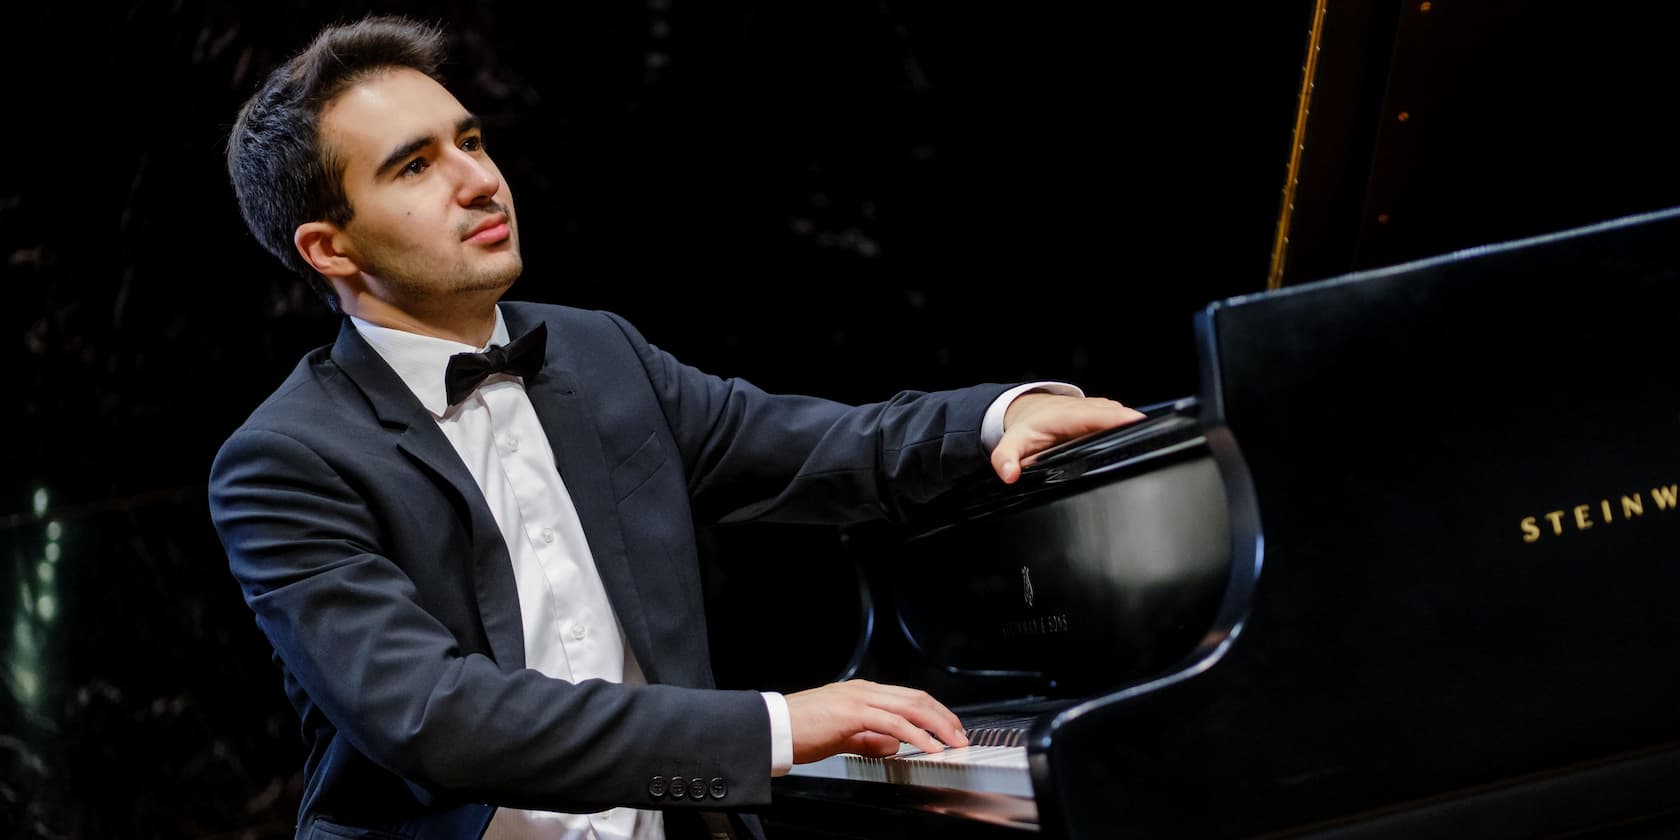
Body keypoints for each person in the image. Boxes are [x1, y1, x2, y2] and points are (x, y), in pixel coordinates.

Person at [209, 14, 1143, 840]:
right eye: (416, 165)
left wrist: (1001, 414)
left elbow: (818, 448)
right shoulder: (283, 461)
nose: (480, 180)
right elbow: (438, 718)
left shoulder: (598, 354)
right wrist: (776, 726)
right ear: (330, 247)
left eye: (472, 141)